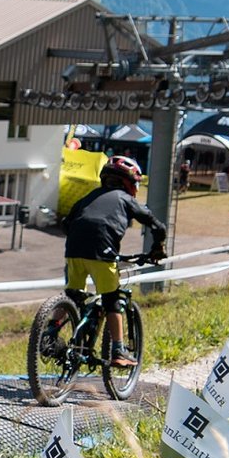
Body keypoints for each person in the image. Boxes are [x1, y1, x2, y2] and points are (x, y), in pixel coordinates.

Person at [61, 156, 168, 369]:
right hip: (102, 251)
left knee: (73, 295)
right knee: (112, 300)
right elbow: (157, 226)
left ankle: (50, 332)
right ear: (130, 183)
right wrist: (157, 248)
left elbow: (67, 223)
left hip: (73, 250)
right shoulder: (124, 199)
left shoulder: (89, 197)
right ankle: (118, 350)